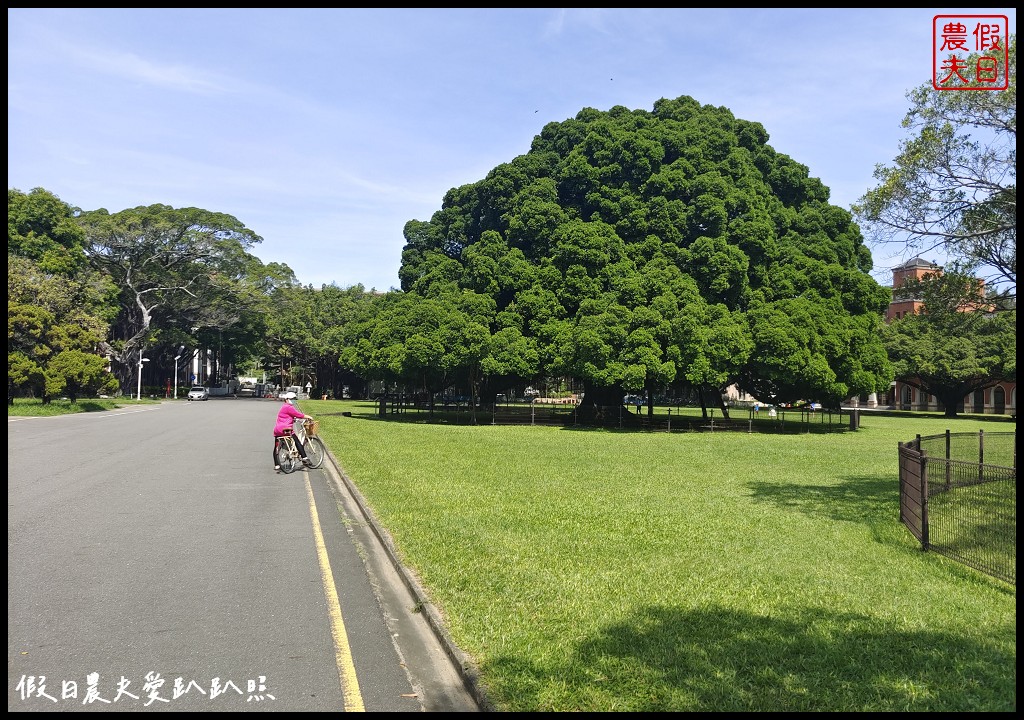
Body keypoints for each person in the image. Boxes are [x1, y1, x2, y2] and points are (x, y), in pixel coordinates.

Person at [273, 391, 312, 471]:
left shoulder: (284, 407)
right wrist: (307, 416)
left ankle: (277, 464)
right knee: (297, 441)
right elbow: (298, 415)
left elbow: (288, 417)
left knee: (276, 447)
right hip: (286, 430)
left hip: (278, 430)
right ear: (287, 399)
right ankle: (304, 457)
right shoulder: (289, 407)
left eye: (294, 399)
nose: (293, 400)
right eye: (292, 399)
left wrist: (294, 420)